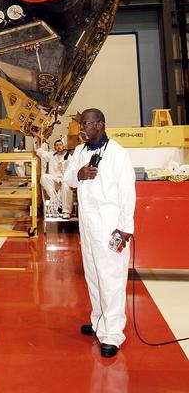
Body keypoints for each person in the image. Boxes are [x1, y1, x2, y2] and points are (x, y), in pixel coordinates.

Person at [64, 108, 136, 358]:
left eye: (86, 124)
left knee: (111, 279)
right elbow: (68, 179)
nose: (82, 128)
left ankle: (112, 334)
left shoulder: (117, 154)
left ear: (100, 125)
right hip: (87, 225)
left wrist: (125, 228)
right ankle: (99, 322)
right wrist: (80, 174)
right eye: (81, 124)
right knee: (93, 275)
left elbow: (127, 193)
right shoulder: (80, 152)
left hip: (110, 226)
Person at [40, 139, 74, 218]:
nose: (59, 147)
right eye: (57, 145)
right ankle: (54, 197)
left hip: (64, 180)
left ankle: (66, 212)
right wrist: (40, 139)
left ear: (63, 146)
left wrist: (61, 181)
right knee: (44, 177)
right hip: (54, 179)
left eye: (60, 145)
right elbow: (40, 152)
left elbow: (71, 171)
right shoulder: (51, 155)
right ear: (55, 147)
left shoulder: (68, 157)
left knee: (66, 186)